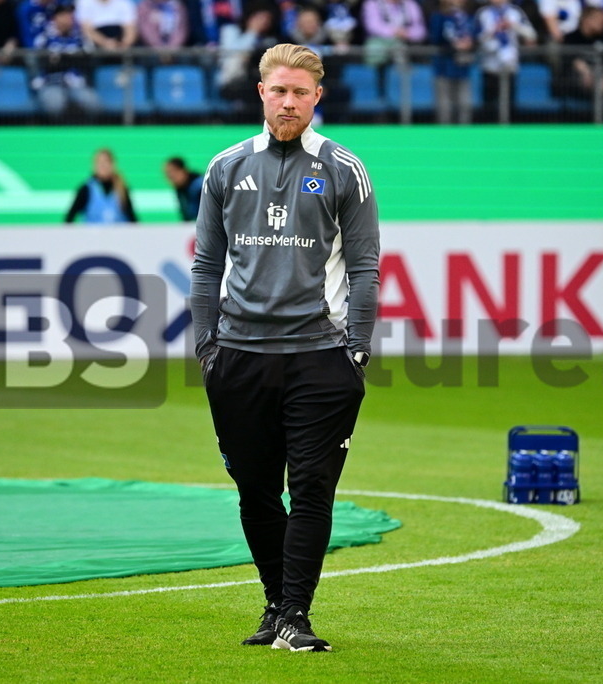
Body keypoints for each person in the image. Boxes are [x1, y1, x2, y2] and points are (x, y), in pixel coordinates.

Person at [191, 43, 379, 652]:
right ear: (262, 93)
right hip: (238, 357)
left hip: (319, 360)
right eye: (280, 91)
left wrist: (357, 351)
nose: (290, 101)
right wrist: (206, 348)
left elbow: (365, 269)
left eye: (301, 92)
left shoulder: (344, 168)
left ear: (317, 96)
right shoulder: (225, 167)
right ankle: (276, 605)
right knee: (254, 491)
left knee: (312, 490)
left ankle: (296, 615)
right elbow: (205, 265)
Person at [475, 0, 537, 121]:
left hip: (510, 65)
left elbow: (531, 34)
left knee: (509, 103)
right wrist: (492, 31)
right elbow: (476, 38)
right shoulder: (483, 13)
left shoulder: (515, 12)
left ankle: (510, 134)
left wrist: (513, 25)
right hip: (490, 66)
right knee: (489, 105)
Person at [429, 0, 475, 124]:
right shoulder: (438, 17)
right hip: (443, 67)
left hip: (462, 67)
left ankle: (464, 136)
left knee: (464, 104)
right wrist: (453, 45)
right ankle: (444, 136)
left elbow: (476, 36)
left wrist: (470, 43)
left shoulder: (468, 18)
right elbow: (434, 38)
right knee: (444, 107)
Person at [64, 148, 137, 223]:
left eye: (106, 162)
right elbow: (69, 217)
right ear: (94, 165)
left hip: (118, 234)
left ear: (112, 165)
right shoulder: (86, 189)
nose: (103, 166)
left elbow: (133, 219)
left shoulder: (122, 189)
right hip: (92, 234)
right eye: (100, 162)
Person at [163, 156, 204, 221]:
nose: (171, 177)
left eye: (173, 172)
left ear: (183, 170)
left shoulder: (201, 186)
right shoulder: (180, 188)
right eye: (168, 174)